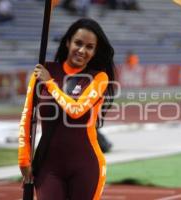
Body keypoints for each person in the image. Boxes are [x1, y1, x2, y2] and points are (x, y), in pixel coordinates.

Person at [18, 18, 116, 200]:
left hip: (86, 166)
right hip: (48, 166)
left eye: (89, 47)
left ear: (95, 52)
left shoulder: (98, 78)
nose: (82, 50)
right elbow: (27, 115)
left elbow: (76, 110)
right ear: (67, 42)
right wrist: (23, 158)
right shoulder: (44, 70)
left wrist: (50, 84)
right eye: (78, 43)